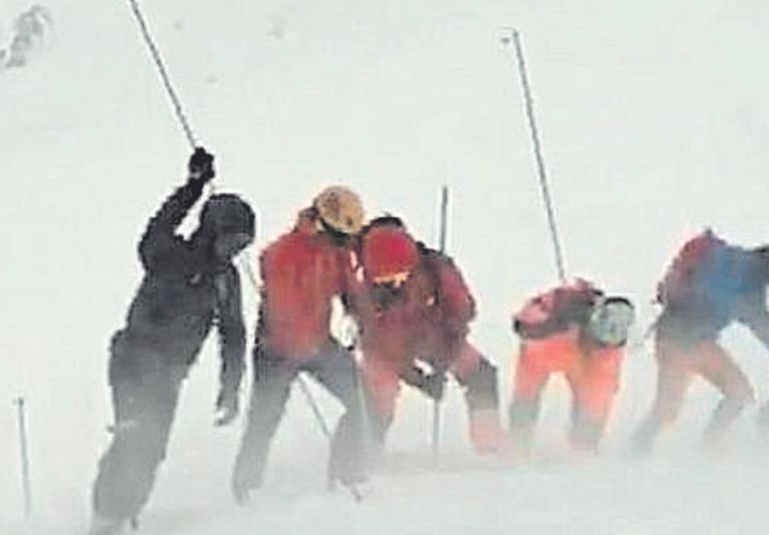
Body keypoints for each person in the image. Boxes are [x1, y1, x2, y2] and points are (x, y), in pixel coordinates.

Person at [89, 147, 254, 535]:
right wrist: (193, 186)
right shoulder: (169, 253)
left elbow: (234, 336)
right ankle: (106, 514)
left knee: (153, 448)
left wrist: (230, 388)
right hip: (134, 357)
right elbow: (156, 229)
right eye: (230, 242)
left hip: (170, 373)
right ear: (212, 231)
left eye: (241, 247)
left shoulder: (225, 280)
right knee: (134, 434)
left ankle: (126, 511)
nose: (233, 253)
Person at [230, 186, 368, 503]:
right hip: (275, 350)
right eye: (341, 237)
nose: (346, 244)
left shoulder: (337, 252)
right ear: (323, 225)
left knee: (359, 397)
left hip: (319, 344)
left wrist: (361, 316)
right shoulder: (284, 254)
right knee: (264, 418)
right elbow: (284, 309)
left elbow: (349, 290)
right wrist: (296, 349)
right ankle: (245, 486)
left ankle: (346, 472)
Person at [350, 226, 505, 454]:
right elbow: (380, 346)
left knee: (481, 374)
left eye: (397, 275)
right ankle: (365, 452)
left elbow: (462, 309)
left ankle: (489, 444)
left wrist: (449, 347)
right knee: (376, 394)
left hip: (438, 337)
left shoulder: (437, 271)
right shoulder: (363, 292)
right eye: (383, 279)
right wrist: (418, 379)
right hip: (388, 352)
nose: (392, 284)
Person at [632, 230, 769, 452]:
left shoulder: (728, 258)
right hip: (677, 343)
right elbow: (762, 325)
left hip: (686, 339)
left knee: (736, 394)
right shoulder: (749, 288)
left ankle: (704, 449)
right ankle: (639, 453)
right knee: (734, 395)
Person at [509, 279, 634, 453]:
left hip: (584, 366)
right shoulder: (555, 321)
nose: (599, 345)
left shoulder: (608, 354)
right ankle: (517, 447)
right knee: (526, 397)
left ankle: (582, 454)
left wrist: (589, 437)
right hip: (544, 352)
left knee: (593, 410)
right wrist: (554, 320)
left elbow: (599, 398)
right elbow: (522, 324)